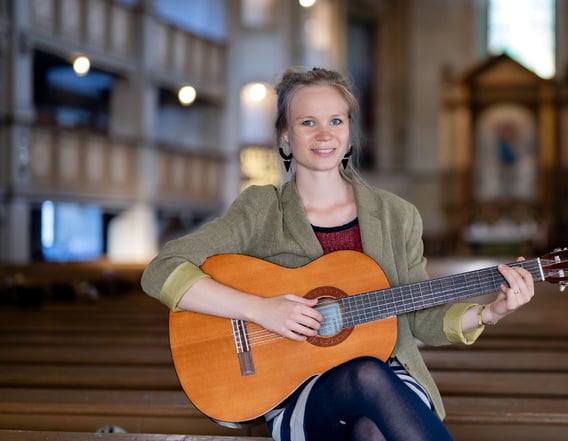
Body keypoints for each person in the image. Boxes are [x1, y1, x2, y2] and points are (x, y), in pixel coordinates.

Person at [140, 66, 535, 441]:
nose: (323, 134)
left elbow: (422, 317)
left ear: (349, 131)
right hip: (295, 389)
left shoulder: (396, 216)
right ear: (284, 135)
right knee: (365, 376)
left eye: (336, 121)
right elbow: (162, 270)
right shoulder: (261, 209)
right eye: (307, 122)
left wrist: (490, 312)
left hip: (391, 377)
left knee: (370, 428)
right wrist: (262, 311)